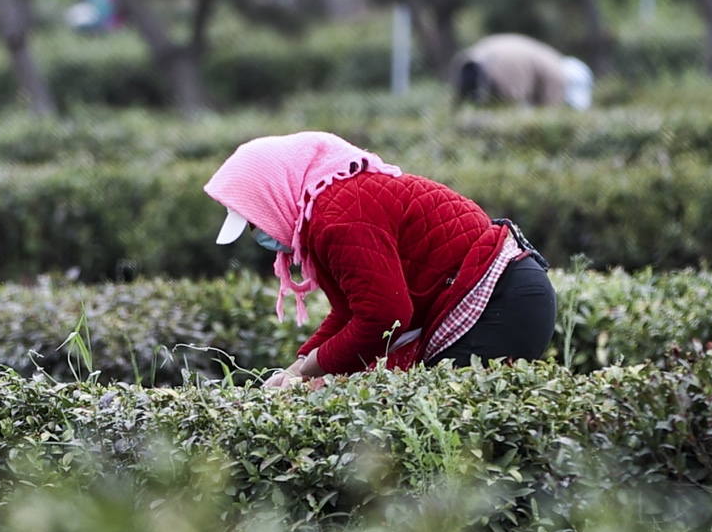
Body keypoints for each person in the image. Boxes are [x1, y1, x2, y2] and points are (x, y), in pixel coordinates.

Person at [204, 131, 556, 387]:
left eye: (254, 221)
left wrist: (311, 367)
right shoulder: (327, 208)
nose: (258, 233)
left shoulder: (338, 215)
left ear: (273, 194)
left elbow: (386, 317)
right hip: (500, 298)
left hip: (499, 305)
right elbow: (351, 311)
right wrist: (299, 365)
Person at [452, 33, 595, 110]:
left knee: (476, 109)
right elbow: (549, 111)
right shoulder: (557, 74)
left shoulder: (550, 57)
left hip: (472, 57)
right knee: (507, 111)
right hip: (503, 68)